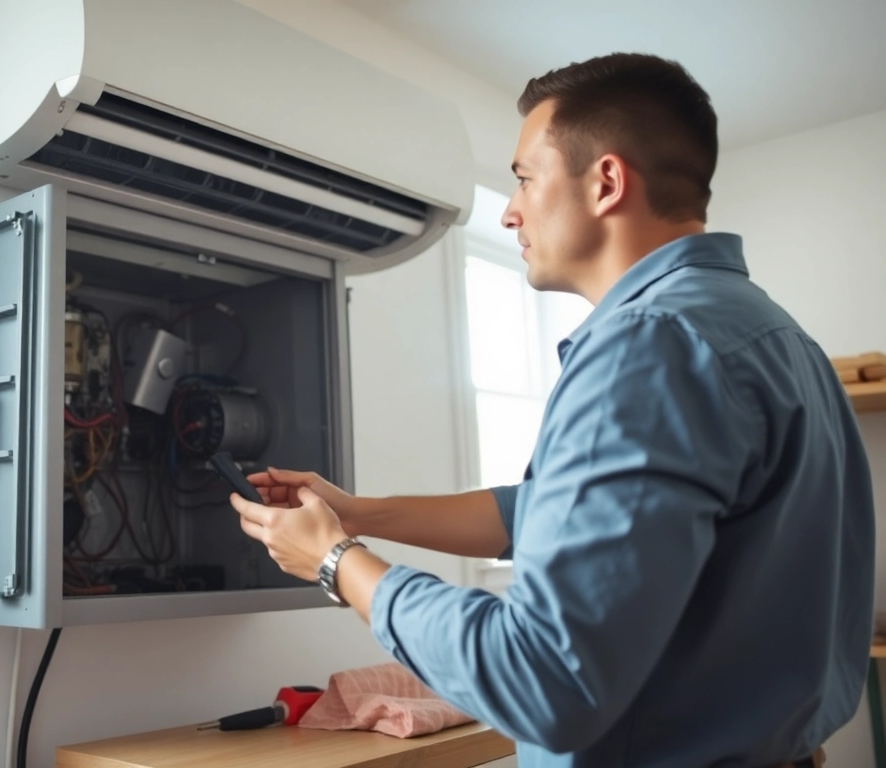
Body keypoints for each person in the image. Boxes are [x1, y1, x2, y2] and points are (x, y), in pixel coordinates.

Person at [229, 52, 873, 767]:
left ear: (605, 182)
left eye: (524, 180)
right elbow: (546, 512)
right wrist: (361, 514)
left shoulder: (648, 347)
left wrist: (336, 561)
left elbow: (546, 679)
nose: (509, 211)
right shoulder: (774, 337)